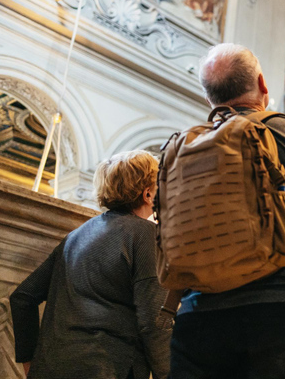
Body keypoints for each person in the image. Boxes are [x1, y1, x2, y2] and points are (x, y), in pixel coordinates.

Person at [169, 44, 285, 379]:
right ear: (263, 85)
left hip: (197, 316)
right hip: (280, 315)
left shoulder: (186, 147)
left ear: (209, 97)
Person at [10, 150, 171, 379]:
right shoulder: (146, 235)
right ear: (148, 194)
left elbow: (23, 296)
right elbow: (154, 320)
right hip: (108, 368)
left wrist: (29, 362)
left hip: (50, 369)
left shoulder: (75, 236)